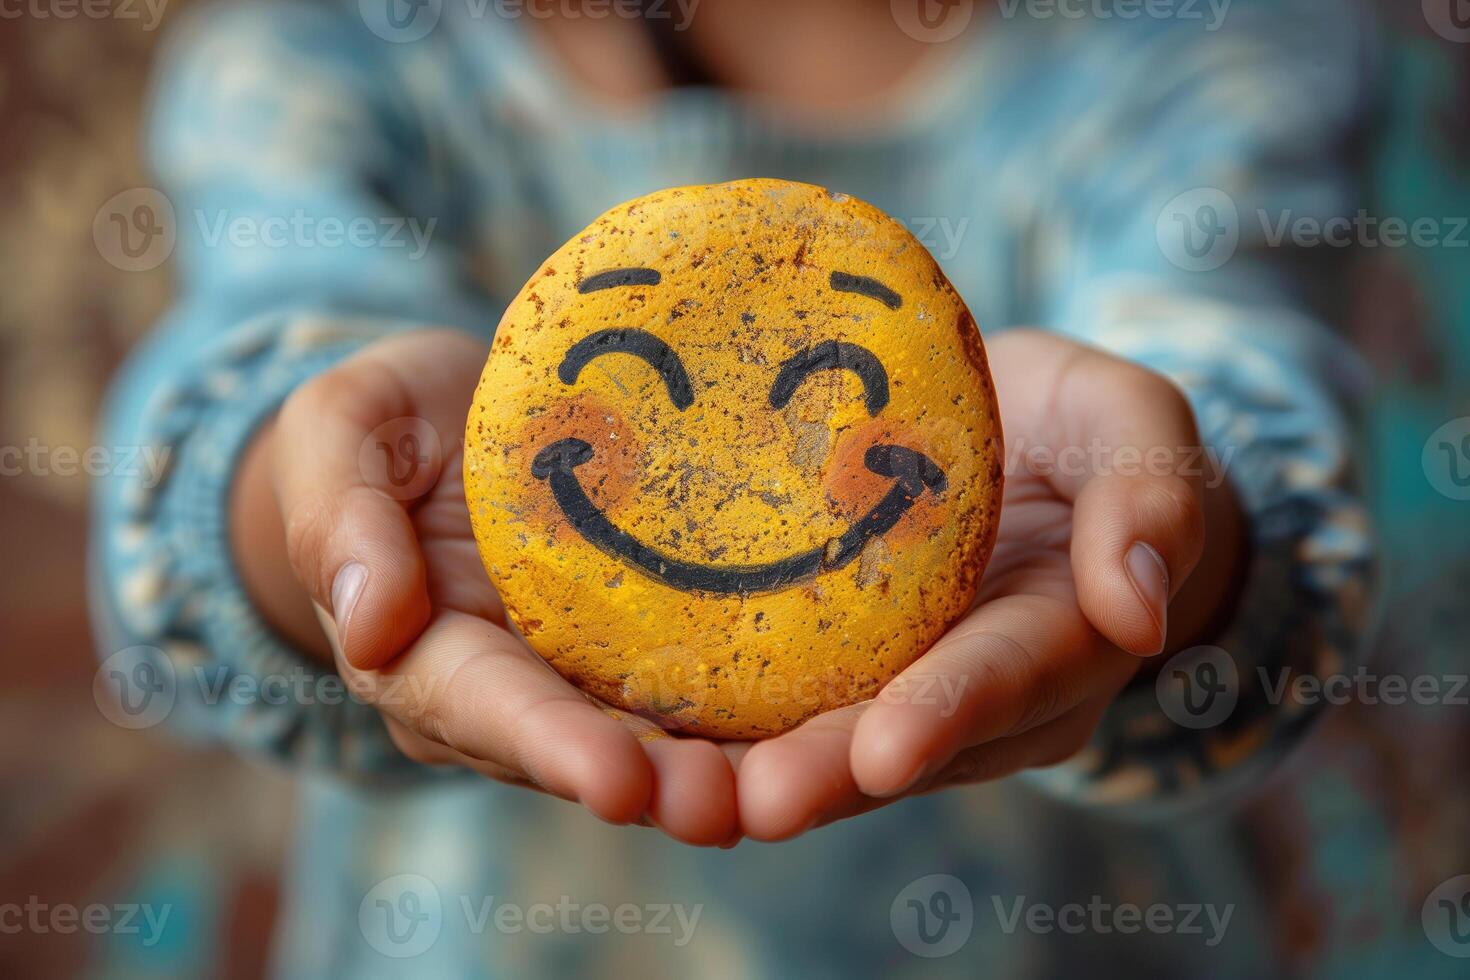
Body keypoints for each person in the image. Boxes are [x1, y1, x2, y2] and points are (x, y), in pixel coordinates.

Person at [94, 0, 1381, 974]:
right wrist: (310, 513)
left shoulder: (1206, 41)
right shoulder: (334, 49)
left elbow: (1248, 413)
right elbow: (235, 398)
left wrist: (1177, 538)